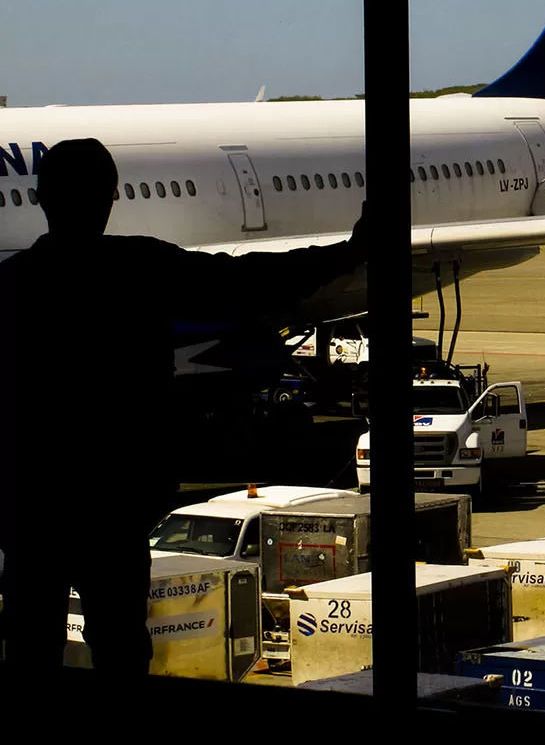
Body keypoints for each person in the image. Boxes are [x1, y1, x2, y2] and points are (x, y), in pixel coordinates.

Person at [0, 138, 368, 699]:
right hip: (114, 494)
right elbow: (249, 280)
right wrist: (351, 252)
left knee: (29, 640)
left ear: (42, 196)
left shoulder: (15, 283)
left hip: (33, 500)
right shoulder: (138, 268)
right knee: (122, 641)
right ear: (111, 196)